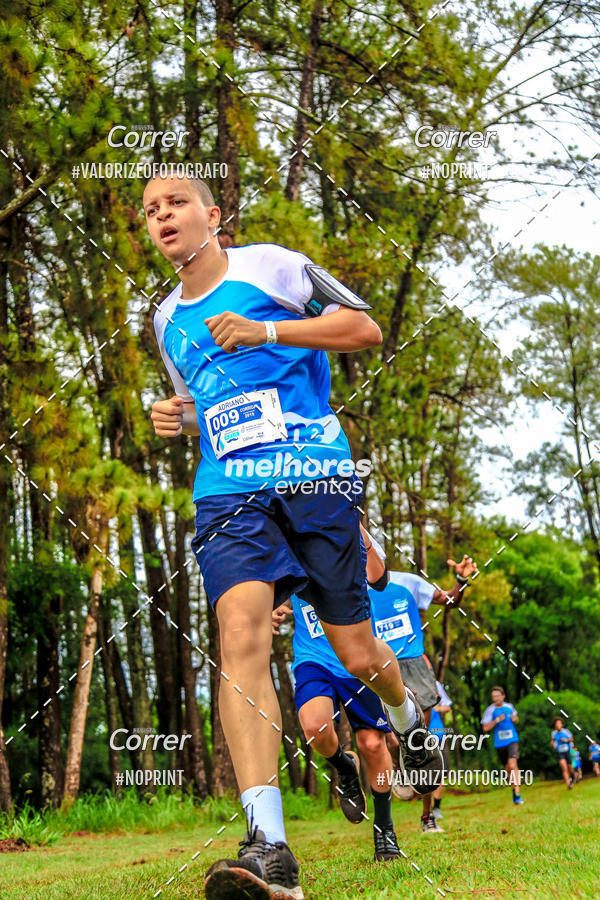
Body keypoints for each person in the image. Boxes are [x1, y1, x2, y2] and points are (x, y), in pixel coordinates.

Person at [145, 174, 444, 900]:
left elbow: (364, 329)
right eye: (151, 210)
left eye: (176, 203)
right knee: (238, 636)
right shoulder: (164, 321)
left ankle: (408, 717)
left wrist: (268, 330)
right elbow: (213, 406)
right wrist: (178, 417)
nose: (163, 216)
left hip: (315, 479)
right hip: (230, 494)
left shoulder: (271, 267)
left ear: (213, 215)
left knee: (357, 651)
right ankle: (269, 846)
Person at [272, 528, 401, 862]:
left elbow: (379, 579)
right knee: (315, 728)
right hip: (313, 658)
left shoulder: (345, 525)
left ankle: (384, 831)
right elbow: (273, 586)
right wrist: (271, 607)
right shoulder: (288, 534)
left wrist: (356, 524)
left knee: (372, 744)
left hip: (358, 656)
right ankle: (345, 768)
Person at [369, 562, 478, 833]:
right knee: (392, 738)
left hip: (414, 663)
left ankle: (427, 816)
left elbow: (450, 600)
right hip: (378, 664)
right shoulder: (350, 589)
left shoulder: (408, 581)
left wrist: (460, 580)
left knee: (422, 741)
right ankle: (399, 768)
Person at [481, 687, 523, 805]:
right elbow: (485, 728)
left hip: (512, 740)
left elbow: (516, 718)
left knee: (513, 765)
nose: (496, 698)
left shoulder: (509, 706)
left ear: (503, 696)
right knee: (508, 769)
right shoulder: (490, 710)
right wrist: (496, 720)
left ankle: (517, 794)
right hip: (500, 743)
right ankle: (514, 789)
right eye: (494, 697)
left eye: (498, 696)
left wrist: (515, 719)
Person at [429, 681, 452, 821]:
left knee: (439, 772)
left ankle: (436, 807)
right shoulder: (408, 680)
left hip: (437, 733)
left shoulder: (435, 684)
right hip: (418, 734)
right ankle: (428, 809)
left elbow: (447, 706)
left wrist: (438, 708)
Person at [551, 718, 574, 789]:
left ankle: (572, 776)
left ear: (561, 724)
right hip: (560, 752)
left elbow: (572, 739)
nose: (558, 725)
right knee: (564, 768)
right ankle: (568, 784)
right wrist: (553, 745)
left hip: (567, 751)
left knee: (570, 768)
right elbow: (552, 741)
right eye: (556, 724)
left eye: (559, 723)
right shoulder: (554, 733)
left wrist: (566, 740)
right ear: (555, 725)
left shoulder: (566, 731)